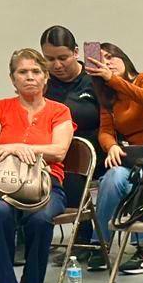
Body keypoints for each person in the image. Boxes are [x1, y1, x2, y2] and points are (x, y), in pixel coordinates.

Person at [0, 48, 72, 283]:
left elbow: (59, 151)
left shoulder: (59, 111)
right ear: (13, 79)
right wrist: (15, 149)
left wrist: (20, 147)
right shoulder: (0, 108)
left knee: (40, 219)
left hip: (46, 185)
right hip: (4, 185)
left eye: (36, 71)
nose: (29, 77)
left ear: (46, 77)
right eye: (22, 72)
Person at [86, 43, 143, 275]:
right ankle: (101, 245)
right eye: (101, 60)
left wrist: (112, 79)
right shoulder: (110, 98)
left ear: (123, 58)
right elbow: (105, 131)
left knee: (139, 179)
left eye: (111, 57)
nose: (107, 63)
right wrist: (112, 146)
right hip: (138, 156)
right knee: (113, 176)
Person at [38, 27, 102, 238]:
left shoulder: (94, 79)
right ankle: (25, 236)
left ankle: (86, 237)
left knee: (73, 171)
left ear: (76, 52)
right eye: (49, 59)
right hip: (54, 155)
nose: (56, 65)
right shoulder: (44, 85)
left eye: (63, 57)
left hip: (92, 153)